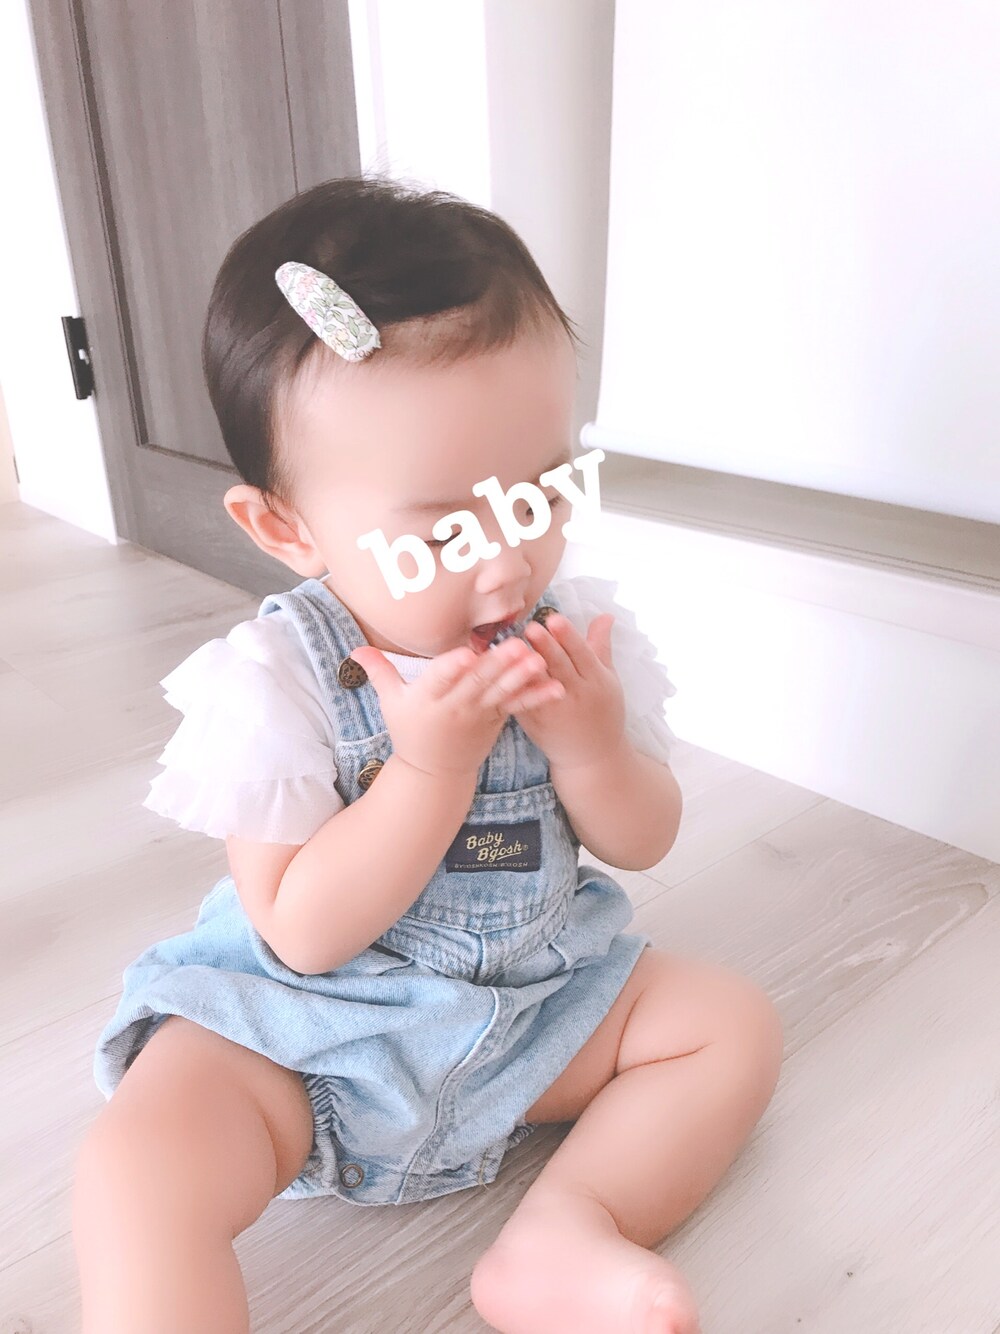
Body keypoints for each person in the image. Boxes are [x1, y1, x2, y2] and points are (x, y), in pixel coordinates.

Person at [72, 174, 784, 1334]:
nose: (508, 559)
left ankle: (567, 1228)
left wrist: (591, 746)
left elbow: (643, 838)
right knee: (135, 1162)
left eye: (537, 494)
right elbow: (300, 932)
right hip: (306, 1046)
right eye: (447, 526)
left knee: (727, 1021)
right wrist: (427, 772)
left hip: (530, 1017)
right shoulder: (276, 681)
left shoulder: (574, 632)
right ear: (286, 526)